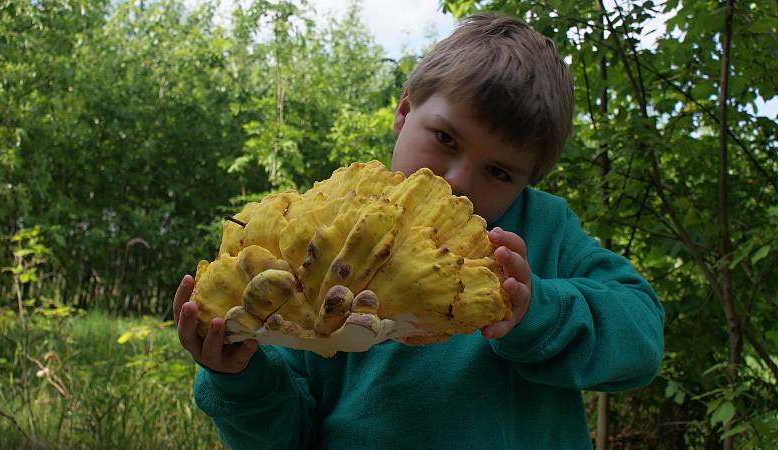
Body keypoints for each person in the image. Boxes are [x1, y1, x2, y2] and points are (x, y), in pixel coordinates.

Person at [173, 13, 664, 449]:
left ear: (528, 180)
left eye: (499, 172)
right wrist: (241, 379)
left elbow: (641, 338)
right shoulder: (324, 241)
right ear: (404, 111)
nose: (458, 179)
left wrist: (538, 311)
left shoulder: (543, 231)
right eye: (445, 138)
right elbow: (290, 434)